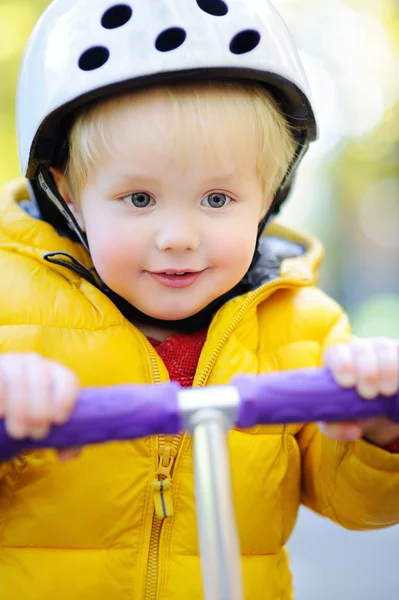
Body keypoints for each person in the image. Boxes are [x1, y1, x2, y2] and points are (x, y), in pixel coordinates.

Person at [0, 0, 398, 598]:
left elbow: (358, 505)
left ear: (267, 196)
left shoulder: (303, 329)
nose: (179, 236)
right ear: (70, 196)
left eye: (217, 199)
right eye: (139, 199)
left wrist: (377, 431)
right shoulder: (11, 311)